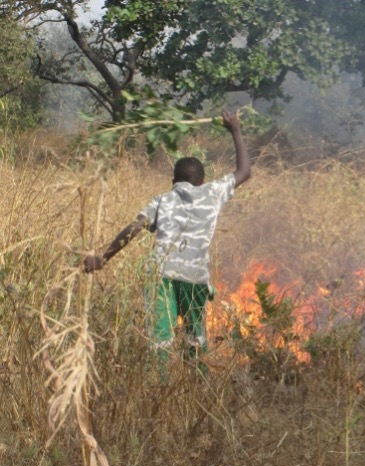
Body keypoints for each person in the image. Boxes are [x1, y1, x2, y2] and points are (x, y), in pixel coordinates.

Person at [84, 110, 251, 372]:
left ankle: (157, 388)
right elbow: (244, 171)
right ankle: (197, 389)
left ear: (174, 181)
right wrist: (235, 130)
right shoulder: (213, 192)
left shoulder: (162, 200)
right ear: (201, 181)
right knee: (195, 340)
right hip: (194, 278)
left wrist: (102, 258)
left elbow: (133, 229)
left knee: (159, 341)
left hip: (160, 274)